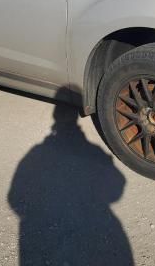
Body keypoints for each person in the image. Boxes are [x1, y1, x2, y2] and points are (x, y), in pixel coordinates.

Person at [8, 102, 133, 265]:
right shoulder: (95, 152)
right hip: (96, 228)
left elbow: (14, 198)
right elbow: (118, 185)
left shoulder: (36, 152)